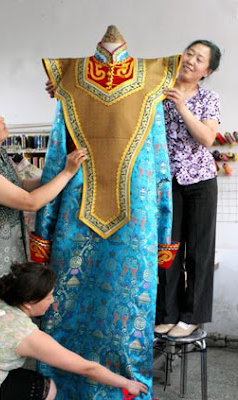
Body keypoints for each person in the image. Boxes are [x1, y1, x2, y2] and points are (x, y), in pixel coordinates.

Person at [32, 26, 181, 399]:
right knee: (78, 307)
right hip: (115, 218)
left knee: (120, 313)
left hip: (102, 219)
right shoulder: (67, 78)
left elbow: (161, 166)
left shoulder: (154, 76)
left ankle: (106, 386)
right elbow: (56, 157)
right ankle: (67, 385)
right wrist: (163, 232)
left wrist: (43, 232)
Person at [0, 100, 87, 304]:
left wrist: (57, 173)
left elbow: (22, 185)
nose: (2, 119)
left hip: (11, 252)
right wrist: (67, 173)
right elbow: (30, 202)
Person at [0, 261, 147, 400]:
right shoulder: (25, 335)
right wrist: (126, 383)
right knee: (46, 388)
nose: (52, 300)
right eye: (48, 296)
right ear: (28, 302)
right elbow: (87, 368)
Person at [155, 40, 221, 337]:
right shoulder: (157, 91)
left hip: (200, 182)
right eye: (189, 54)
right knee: (167, 251)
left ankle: (192, 315)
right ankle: (167, 313)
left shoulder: (208, 98)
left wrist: (181, 105)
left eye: (200, 59)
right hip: (166, 182)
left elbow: (207, 138)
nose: (191, 61)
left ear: (207, 70)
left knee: (199, 251)